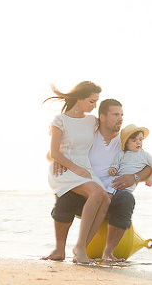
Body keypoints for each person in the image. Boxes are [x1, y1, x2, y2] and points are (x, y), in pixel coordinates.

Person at [43, 98, 152, 262]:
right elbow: (55, 152)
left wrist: (134, 177)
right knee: (65, 194)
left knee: (126, 198)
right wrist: (56, 159)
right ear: (102, 116)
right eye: (115, 114)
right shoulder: (88, 137)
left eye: (122, 115)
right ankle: (59, 250)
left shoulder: (124, 143)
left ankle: (108, 253)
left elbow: (148, 167)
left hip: (111, 199)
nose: (120, 118)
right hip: (85, 197)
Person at [45, 81, 111, 264]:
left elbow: (109, 133)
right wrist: (69, 165)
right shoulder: (60, 121)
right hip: (65, 169)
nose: (95, 106)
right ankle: (79, 248)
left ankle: (81, 247)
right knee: (97, 193)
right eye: (91, 101)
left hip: (85, 168)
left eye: (96, 101)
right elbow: (54, 152)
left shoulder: (92, 121)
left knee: (105, 198)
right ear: (79, 99)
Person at [109, 124, 152, 192]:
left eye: (140, 139)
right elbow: (115, 165)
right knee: (109, 192)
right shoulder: (121, 154)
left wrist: (151, 179)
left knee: (124, 195)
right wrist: (112, 169)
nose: (138, 142)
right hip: (117, 182)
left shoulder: (144, 155)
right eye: (134, 141)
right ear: (126, 143)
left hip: (129, 186)